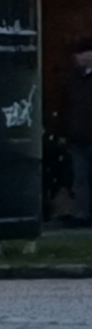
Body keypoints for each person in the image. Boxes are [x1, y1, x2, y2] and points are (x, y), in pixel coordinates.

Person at [63, 44, 92, 223]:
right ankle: (82, 213)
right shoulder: (72, 78)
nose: (78, 58)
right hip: (77, 136)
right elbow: (66, 105)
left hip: (84, 133)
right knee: (80, 177)